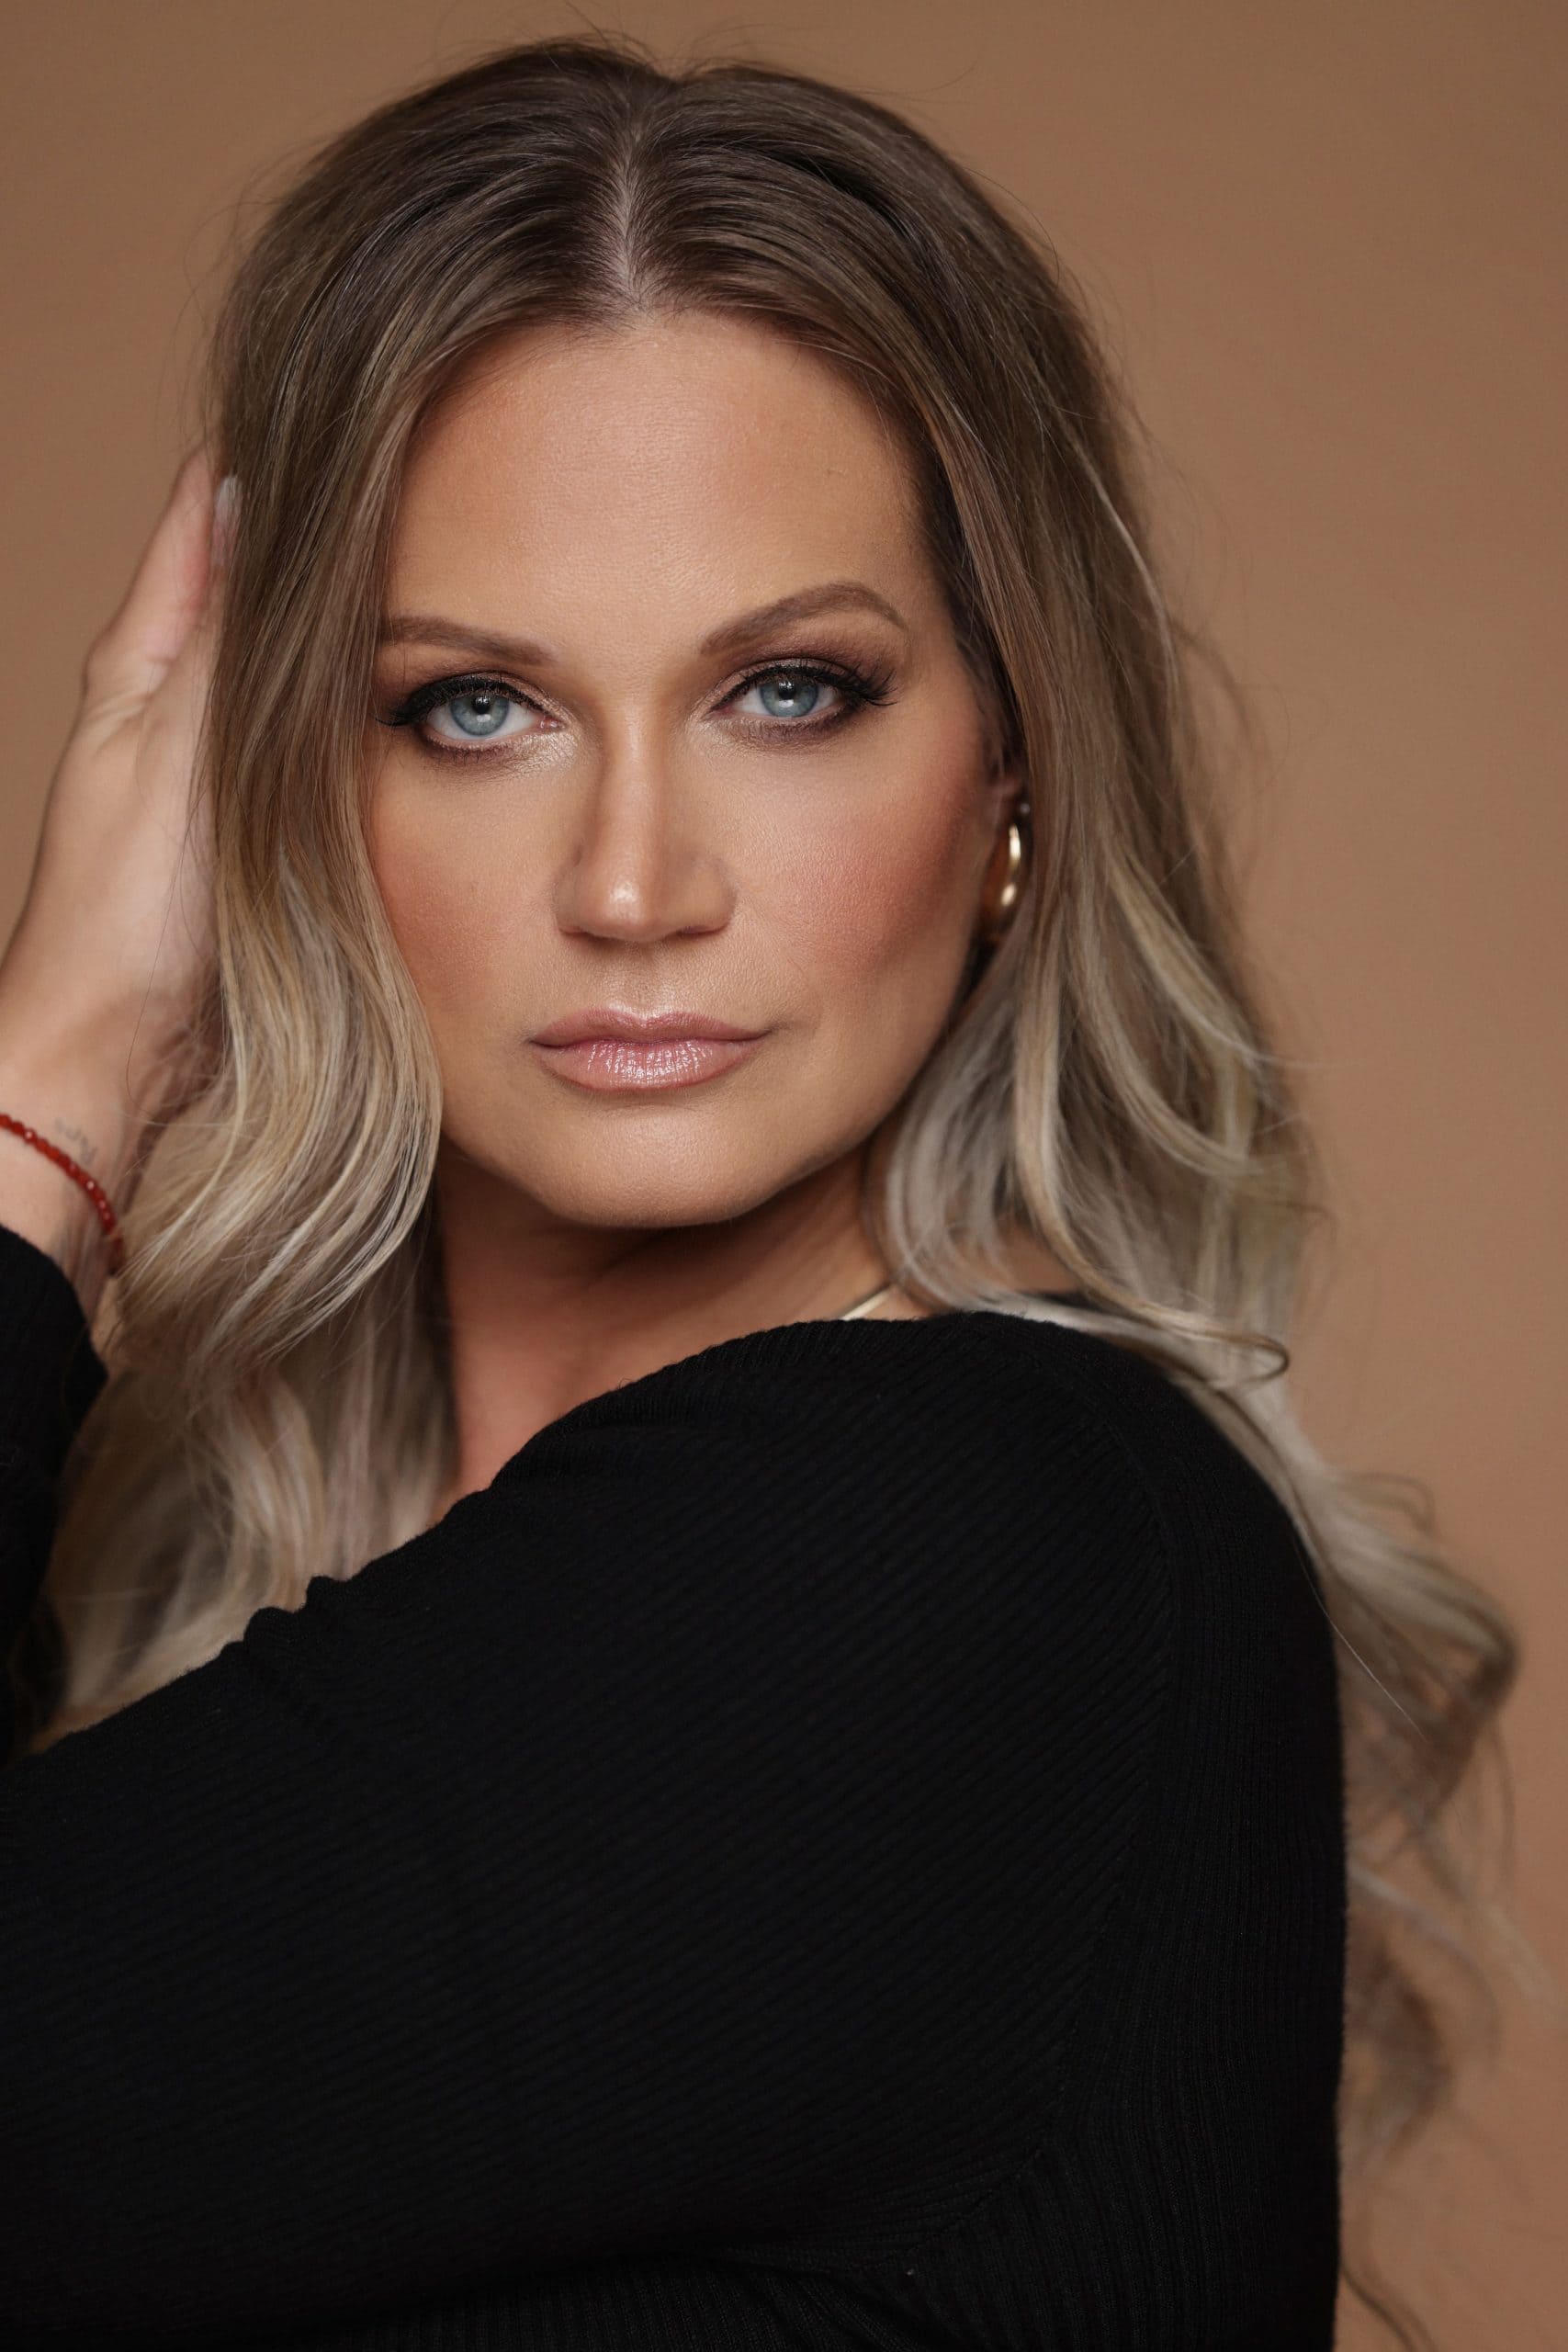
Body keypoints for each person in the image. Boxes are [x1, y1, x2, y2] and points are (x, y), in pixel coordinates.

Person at [0, 31, 1517, 2352]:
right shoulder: (192, 1588)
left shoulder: (965, 1540)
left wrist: (56, 1087)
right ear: (281, 788)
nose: (632, 883)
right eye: (474, 705)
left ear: (1011, 765)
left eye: (789, 690)